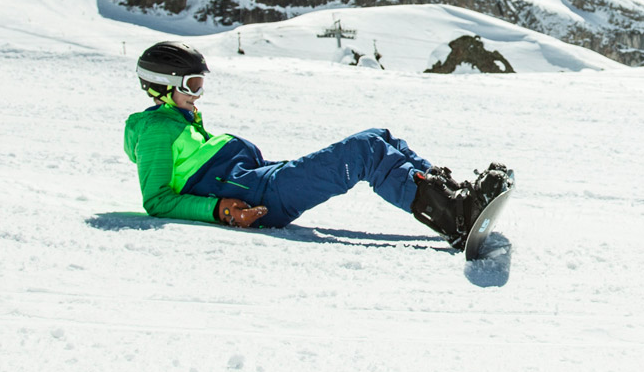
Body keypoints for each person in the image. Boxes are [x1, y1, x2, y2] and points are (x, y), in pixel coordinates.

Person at [123, 41, 506, 248]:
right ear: (163, 84)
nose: (199, 93)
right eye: (192, 85)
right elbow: (156, 201)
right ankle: (454, 217)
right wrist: (220, 211)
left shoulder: (178, 120)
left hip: (262, 178)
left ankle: (453, 195)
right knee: (363, 153)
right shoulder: (157, 131)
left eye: (200, 84)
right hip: (260, 199)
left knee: (378, 137)